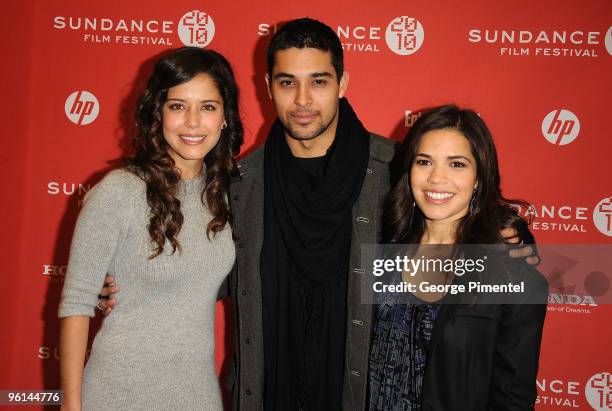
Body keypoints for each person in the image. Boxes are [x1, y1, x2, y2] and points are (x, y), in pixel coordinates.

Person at [97, 19, 538, 411]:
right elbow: (202, 268)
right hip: (264, 393)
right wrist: (128, 277)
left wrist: (506, 237)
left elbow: (450, 205)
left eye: (319, 81)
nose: (303, 100)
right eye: (288, 82)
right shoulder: (238, 184)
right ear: (268, 87)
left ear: (343, 83)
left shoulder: (394, 171)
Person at [58, 47, 243, 410]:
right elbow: (77, 305)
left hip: (198, 395)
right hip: (119, 393)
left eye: (207, 106)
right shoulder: (119, 191)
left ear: (224, 117)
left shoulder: (227, 194)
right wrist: (70, 405)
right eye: (177, 106)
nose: (192, 122)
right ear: (157, 113)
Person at [368, 105, 548, 410]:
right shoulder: (380, 247)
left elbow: (512, 400)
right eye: (424, 161)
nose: (437, 178)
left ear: (479, 177)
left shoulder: (512, 275)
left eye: (457, 164)